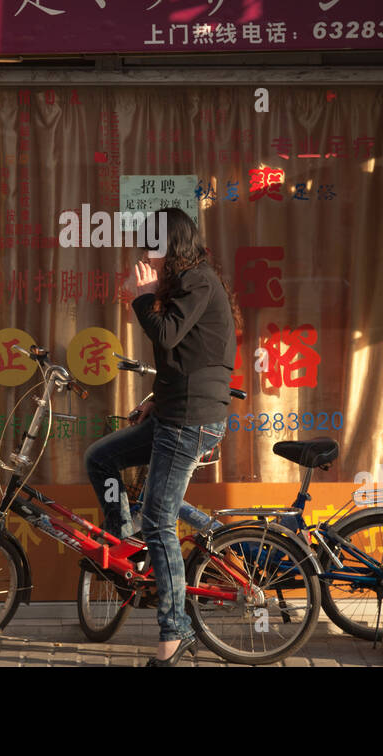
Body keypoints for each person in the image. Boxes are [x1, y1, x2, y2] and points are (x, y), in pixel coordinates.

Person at [84, 208, 241, 665]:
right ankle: (125, 546)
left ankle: (176, 631)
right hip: (172, 411)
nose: (144, 250)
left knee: (158, 519)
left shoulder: (197, 281)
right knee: (102, 459)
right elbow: (186, 357)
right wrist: (155, 398)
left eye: (151, 242)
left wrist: (144, 296)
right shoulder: (185, 284)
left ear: (172, 243)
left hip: (191, 419)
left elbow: (169, 336)